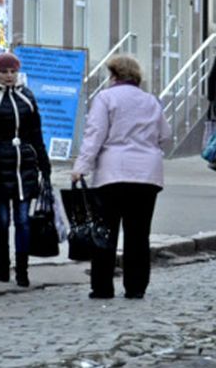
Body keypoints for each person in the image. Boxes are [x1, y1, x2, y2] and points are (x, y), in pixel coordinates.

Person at [71, 55, 171, 300]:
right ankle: (136, 287)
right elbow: (165, 135)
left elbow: (95, 135)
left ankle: (103, 287)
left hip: (112, 173)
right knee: (138, 234)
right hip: (147, 175)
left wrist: (81, 167)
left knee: (105, 232)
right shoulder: (151, 101)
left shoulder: (105, 98)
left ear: (114, 76)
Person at [0, 51, 51, 287]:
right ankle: (3, 266)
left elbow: (36, 132)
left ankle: (23, 270)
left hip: (24, 166)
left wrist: (43, 163)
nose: (9, 76)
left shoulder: (26, 96)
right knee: (3, 220)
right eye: (4, 72)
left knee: (23, 220)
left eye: (12, 71)